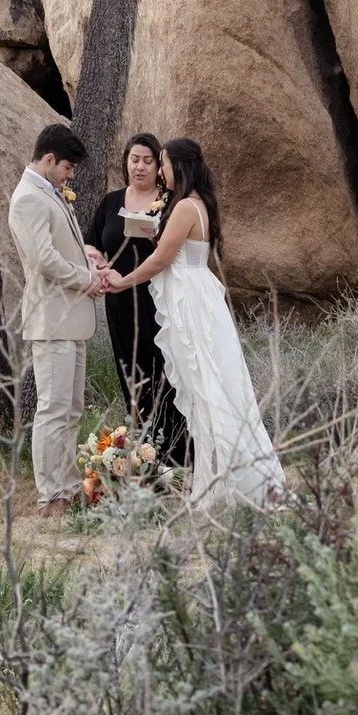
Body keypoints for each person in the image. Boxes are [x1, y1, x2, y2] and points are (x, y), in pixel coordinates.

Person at [102, 136, 284, 510]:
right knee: (205, 392)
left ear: (178, 166)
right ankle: (214, 482)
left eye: (163, 163)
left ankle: (230, 482)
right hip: (196, 295)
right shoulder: (195, 204)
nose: (160, 170)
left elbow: (160, 261)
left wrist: (121, 281)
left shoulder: (185, 206)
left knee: (207, 390)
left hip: (190, 304)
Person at [6, 122, 109, 517]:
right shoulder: (27, 198)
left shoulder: (47, 192)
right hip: (52, 319)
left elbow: (57, 244)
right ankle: (50, 498)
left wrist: (88, 256)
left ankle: (68, 486)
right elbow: (43, 259)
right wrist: (87, 280)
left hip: (69, 319)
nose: (70, 176)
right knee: (52, 409)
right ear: (49, 159)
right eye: (67, 168)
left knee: (70, 409)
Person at [90, 134, 189, 465]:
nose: (141, 166)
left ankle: (178, 456)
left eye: (148, 160)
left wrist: (156, 236)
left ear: (159, 167)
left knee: (165, 376)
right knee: (133, 378)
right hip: (119, 303)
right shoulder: (111, 201)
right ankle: (147, 456)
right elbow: (92, 243)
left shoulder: (170, 201)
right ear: (126, 162)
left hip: (157, 302)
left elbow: (178, 251)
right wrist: (98, 264)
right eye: (135, 159)